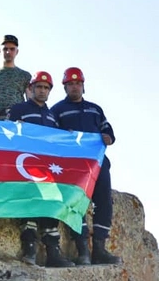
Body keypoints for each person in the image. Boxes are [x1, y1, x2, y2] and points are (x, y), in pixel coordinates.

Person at [51, 67, 121, 265]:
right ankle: (82, 249)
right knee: (76, 203)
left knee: (104, 202)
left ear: (83, 86)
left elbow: (108, 130)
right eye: (70, 84)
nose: (75, 87)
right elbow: (51, 136)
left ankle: (99, 249)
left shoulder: (95, 109)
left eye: (78, 83)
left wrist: (109, 137)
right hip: (73, 166)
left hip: (98, 164)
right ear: (65, 87)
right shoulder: (57, 110)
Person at [7, 71, 75, 267]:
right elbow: (5, 134)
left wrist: (67, 136)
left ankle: (53, 253)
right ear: (31, 88)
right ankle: (29, 251)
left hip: (48, 171)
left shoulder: (52, 116)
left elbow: (57, 142)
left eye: (46, 88)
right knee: (30, 208)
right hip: (25, 168)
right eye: (39, 87)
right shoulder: (18, 109)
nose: (42, 91)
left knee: (50, 208)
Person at [0, 35, 32, 119]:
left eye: (12, 49)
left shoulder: (25, 75)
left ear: (17, 51)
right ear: (0, 51)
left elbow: (31, 100)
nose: (8, 52)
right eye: (5, 49)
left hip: (16, 118)